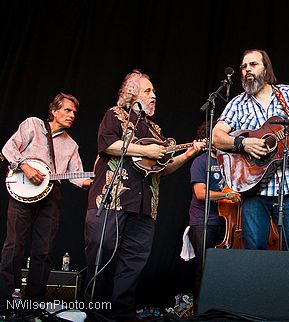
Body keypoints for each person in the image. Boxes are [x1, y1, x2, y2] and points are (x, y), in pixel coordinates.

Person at [84, 69, 204, 320]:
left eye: (154, 92)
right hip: (112, 198)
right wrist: (146, 150)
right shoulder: (115, 115)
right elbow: (108, 144)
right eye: (148, 90)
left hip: (146, 205)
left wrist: (186, 155)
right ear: (132, 93)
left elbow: (162, 168)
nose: (153, 96)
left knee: (134, 261)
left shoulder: (156, 131)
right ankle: (98, 313)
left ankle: (122, 313)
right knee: (102, 253)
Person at [212, 49, 289, 251]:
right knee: (254, 254)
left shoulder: (286, 93)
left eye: (253, 64)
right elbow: (217, 137)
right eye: (243, 66)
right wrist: (243, 144)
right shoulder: (237, 103)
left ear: (266, 69)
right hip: (253, 190)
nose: (247, 70)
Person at [0, 92, 90, 302]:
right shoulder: (33, 125)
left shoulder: (71, 145)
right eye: (67, 110)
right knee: (14, 245)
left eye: (74, 112)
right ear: (54, 111)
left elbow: (78, 176)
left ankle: (34, 301)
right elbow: (8, 148)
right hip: (22, 193)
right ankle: (5, 298)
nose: (71, 115)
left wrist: (97, 180)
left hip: (51, 196)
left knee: (45, 250)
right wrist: (25, 167)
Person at [187, 121, 240, 303]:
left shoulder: (231, 161)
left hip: (229, 223)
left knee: (227, 271)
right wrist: (229, 195)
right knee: (205, 269)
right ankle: (200, 311)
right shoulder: (200, 162)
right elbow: (200, 193)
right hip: (204, 222)